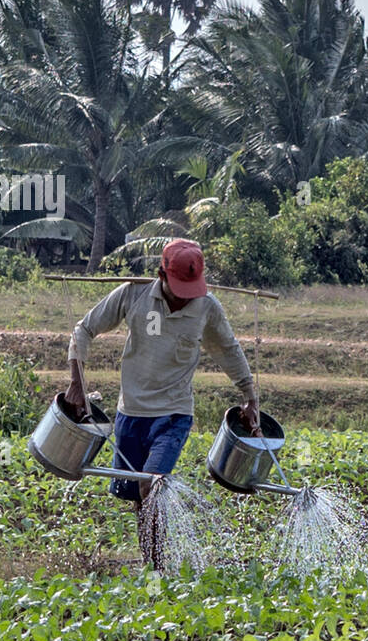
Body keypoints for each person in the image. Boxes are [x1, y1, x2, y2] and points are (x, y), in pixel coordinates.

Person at [64, 238, 261, 568]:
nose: (186, 298)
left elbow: (228, 349)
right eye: (179, 288)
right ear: (161, 275)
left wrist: (250, 396)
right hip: (131, 413)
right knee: (139, 500)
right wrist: (76, 383)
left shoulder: (206, 307)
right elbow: (84, 330)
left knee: (151, 485)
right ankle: (152, 566)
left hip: (173, 414)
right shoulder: (133, 294)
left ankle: (159, 570)